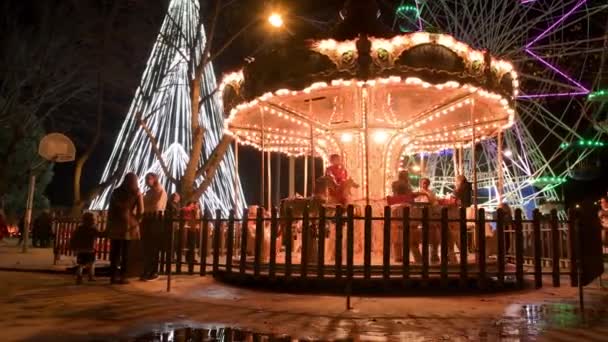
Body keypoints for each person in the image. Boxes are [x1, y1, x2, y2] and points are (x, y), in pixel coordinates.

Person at [106, 173, 143, 285]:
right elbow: (141, 211)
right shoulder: (137, 193)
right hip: (129, 225)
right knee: (126, 252)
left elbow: (111, 208)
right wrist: (136, 221)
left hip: (116, 224)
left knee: (115, 252)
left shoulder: (116, 192)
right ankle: (123, 276)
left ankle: (113, 276)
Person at [141, 172, 167, 281]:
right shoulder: (148, 192)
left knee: (153, 247)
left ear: (155, 179)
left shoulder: (160, 191)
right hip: (147, 220)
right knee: (147, 248)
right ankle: (147, 270)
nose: (147, 180)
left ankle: (153, 271)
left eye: (150, 178)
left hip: (155, 221)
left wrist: (145, 207)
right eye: (146, 178)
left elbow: (157, 206)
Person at [70, 212, 99, 284]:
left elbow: (74, 237)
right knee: (91, 263)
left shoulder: (79, 228)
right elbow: (99, 234)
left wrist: (73, 246)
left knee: (80, 264)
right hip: (90, 249)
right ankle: (91, 276)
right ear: (93, 220)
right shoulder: (93, 228)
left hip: (80, 249)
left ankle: (79, 278)